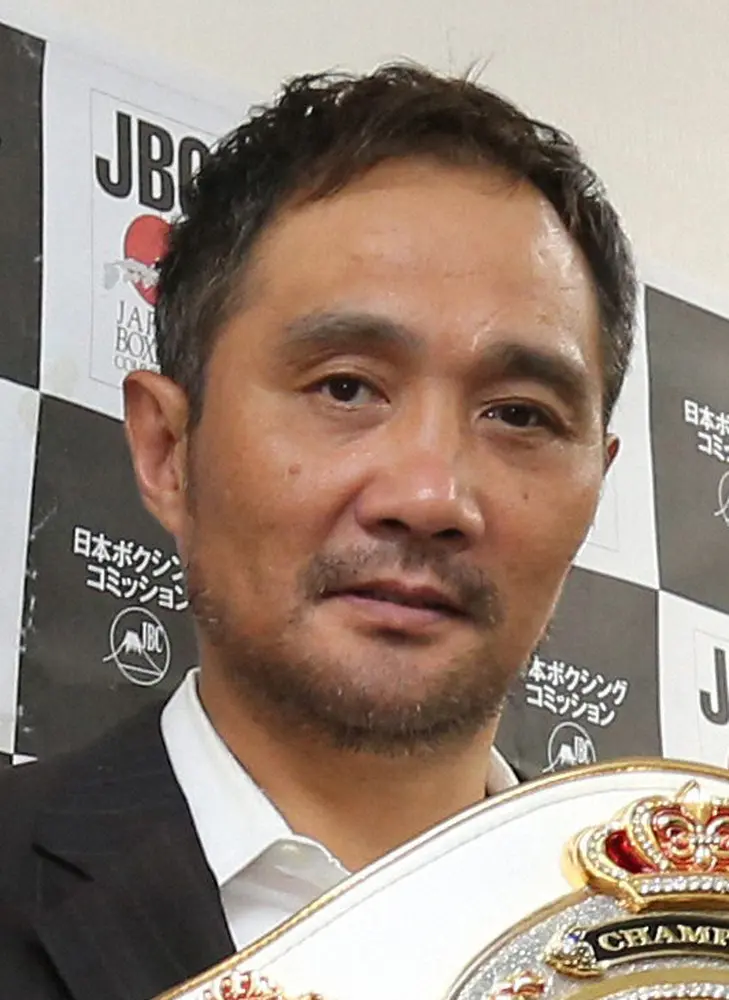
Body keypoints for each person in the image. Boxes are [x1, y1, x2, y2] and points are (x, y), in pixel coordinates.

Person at [0, 64, 636, 1000]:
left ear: (596, 486)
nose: (430, 495)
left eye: (518, 415)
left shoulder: (670, 931)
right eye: (345, 388)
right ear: (168, 450)